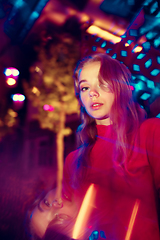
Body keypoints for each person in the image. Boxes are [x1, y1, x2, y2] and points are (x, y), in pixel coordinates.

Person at [30, 53, 160, 240]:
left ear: (121, 87)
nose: (92, 93)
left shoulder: (149, 132)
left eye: (102, 83)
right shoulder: (73, 161)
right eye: (85, 87)